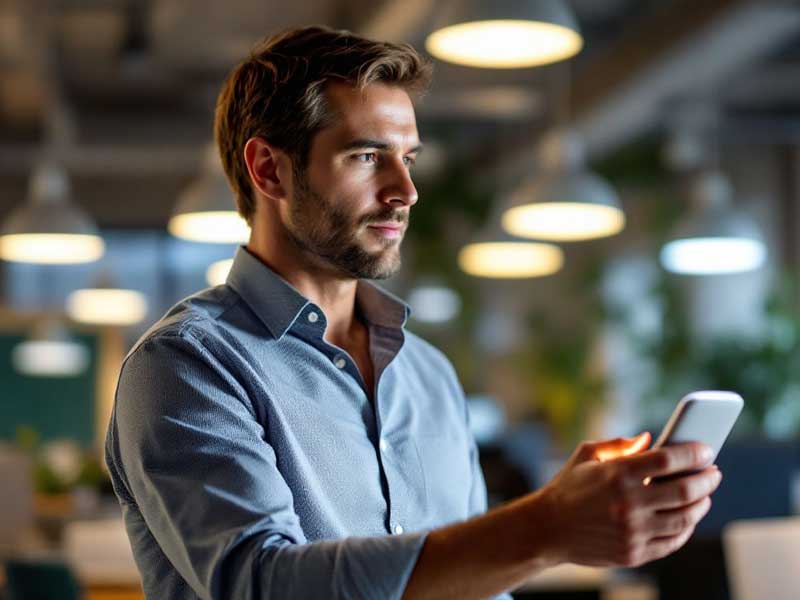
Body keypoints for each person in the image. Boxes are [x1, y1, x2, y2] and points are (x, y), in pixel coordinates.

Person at [105, 26, 723, 600]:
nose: (405, 190)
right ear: (270, 169)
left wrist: (552, 531)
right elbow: (263, 585)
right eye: (367, 156)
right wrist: (543, 527)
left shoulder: (427, 374)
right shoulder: (187, 364)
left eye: (410, 158)